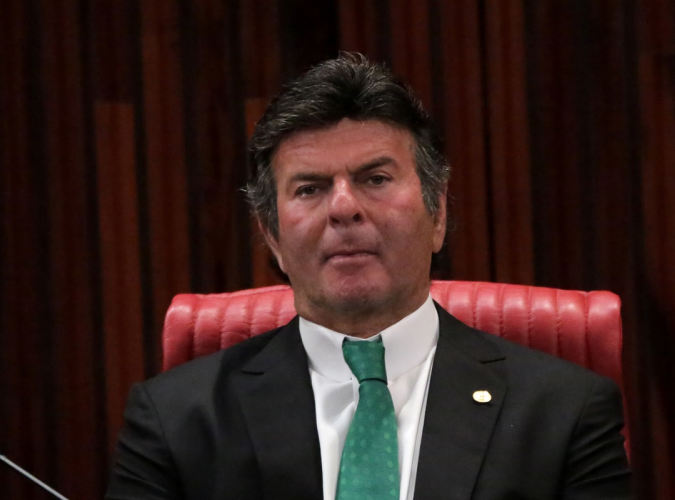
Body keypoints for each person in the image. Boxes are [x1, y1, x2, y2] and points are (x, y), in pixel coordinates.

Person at [106, 54, 631, 500]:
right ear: (272, 236)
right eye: (310, 188)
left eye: (375, 179)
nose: (343, 208)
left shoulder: (564, 413)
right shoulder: (175, 420)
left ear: (438, 213)